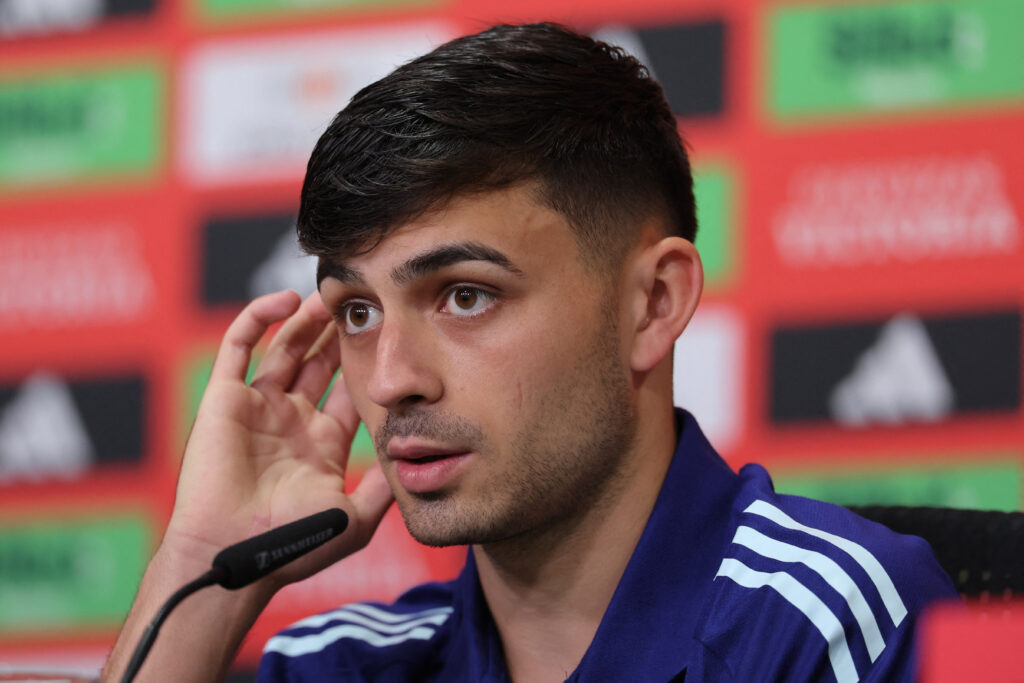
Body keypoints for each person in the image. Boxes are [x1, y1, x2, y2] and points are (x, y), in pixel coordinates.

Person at [102, 22, 958, 682]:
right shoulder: (349, 662)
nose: (392, 379)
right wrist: (203, 564)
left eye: (464, 295)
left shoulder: (824, 623)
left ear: (653, 304)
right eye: (358, 311)